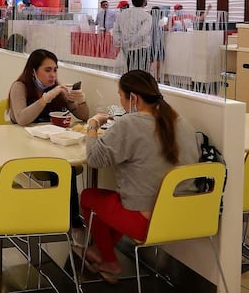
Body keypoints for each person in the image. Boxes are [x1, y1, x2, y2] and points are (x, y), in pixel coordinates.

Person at [79, 70, 199, 283]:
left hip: (146, 222)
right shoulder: (181, 123)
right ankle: (98, 251)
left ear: (133, 98)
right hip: (186, 215)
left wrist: (93, 124)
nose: (122, 103)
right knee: (116, 199)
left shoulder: (129, 124)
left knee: (89, 197)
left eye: (121, 97)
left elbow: (94, 158)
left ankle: (109, 260)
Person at [7, 48, 88, 232]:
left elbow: (83, 116)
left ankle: (66, 215)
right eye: (48, 70)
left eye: (55, 70)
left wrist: (81, 100)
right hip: (24, 145)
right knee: (62, 166)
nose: (53, 75)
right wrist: (44, 99)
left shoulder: (56, 89)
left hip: (51, 144)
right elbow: (21, 118)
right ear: (33, 71)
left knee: (64, 164)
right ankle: (67, 216)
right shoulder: (19, 87)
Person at [112, 0, 151, 72]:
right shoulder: (146, 15)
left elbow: (116, 30)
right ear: (144, 2)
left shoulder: (123, 14)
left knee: (130, 71)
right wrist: (130, 42)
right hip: (141, 48)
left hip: (126, 48)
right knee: (141, 73)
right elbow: (143, 33)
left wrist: (122, 42)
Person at [150, 6, 167, 82]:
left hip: (149, 42)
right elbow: (168, 28)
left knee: (149, 60)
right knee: (158, 59)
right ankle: (157, 77)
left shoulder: (149, 20)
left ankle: (146, 76)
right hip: (158, 41)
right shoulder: (161, 21)